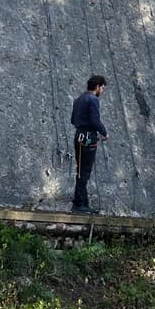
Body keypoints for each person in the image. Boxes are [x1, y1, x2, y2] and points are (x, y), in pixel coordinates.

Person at [71, 74, 108, 214]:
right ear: (97, 86)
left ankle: (81, 203)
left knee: (81, 170)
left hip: (79, 136)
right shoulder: (93, 99)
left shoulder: (78, 99)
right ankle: (80, 204)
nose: (102, 91)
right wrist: (104, 132)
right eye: (102, 88)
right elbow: (95, 120)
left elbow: (73, 120)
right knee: (84, 171)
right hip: (87, 138)